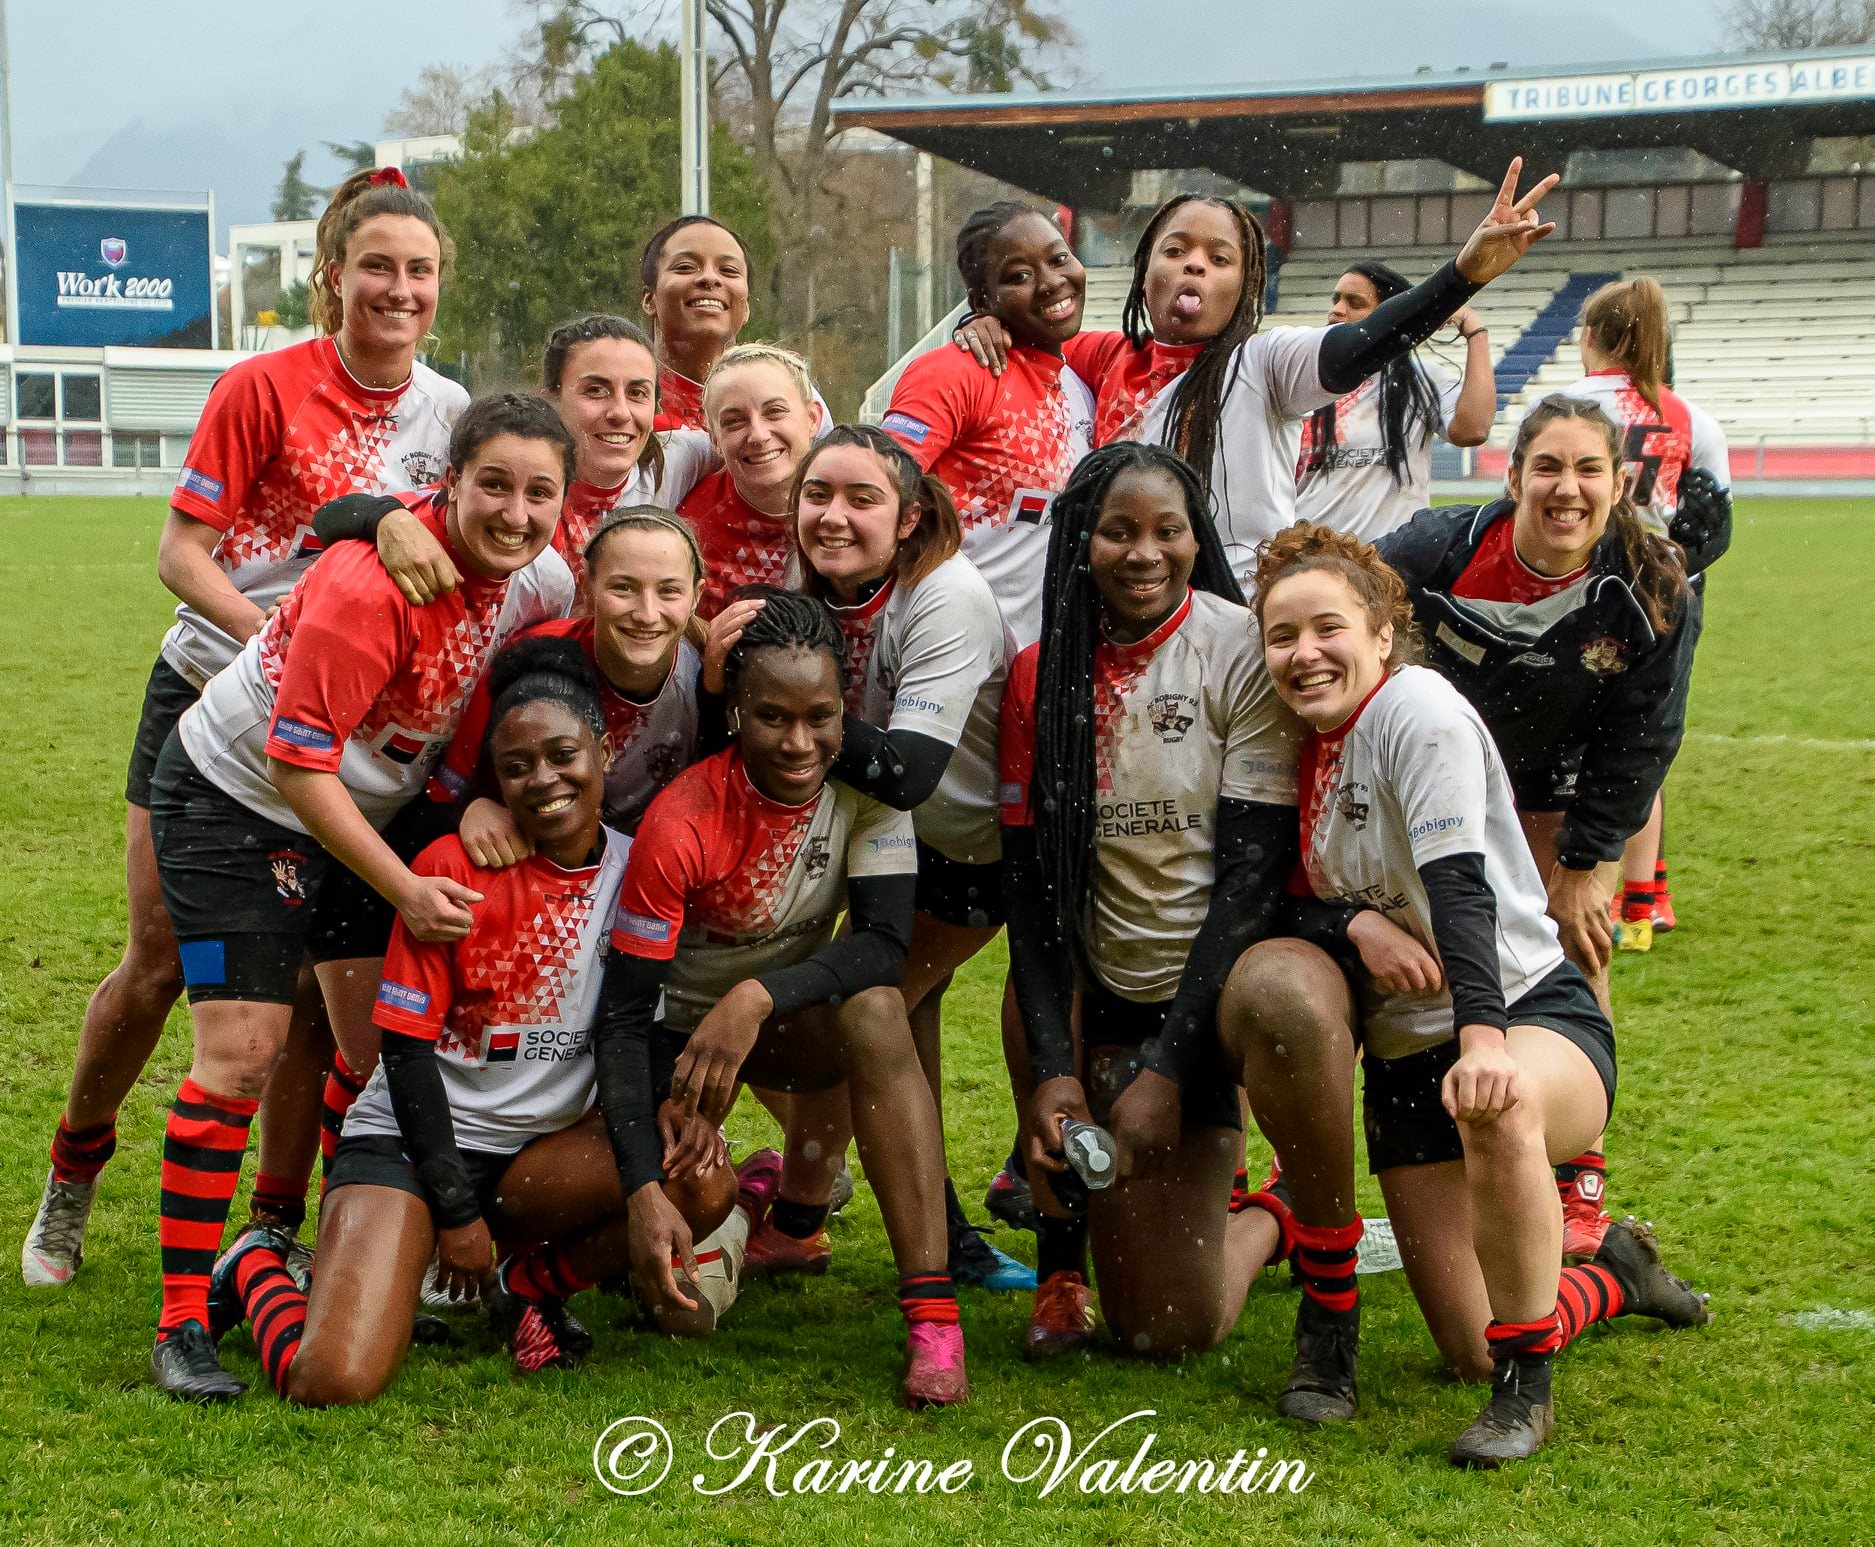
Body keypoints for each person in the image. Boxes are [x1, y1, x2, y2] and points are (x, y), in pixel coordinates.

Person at [22, 165, 466, 1290]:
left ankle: (281, 1218)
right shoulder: (262, 386)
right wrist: (283, 627)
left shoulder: (451, 412)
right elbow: (181, 552)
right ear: (334, 277)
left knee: (326, 984)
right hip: (212, 700)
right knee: (161, 959)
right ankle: (74, 1169)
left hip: (357, 736)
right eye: (378, 266)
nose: (399, 288)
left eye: (419, 270)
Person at [1237, 522, 1707, 1466]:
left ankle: (1523, 1398)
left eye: (1327, 627)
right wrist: (1350, 927)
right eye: (1280, 637)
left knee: (1501, 1108)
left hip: (1527, 1010)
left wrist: (1484, 1040)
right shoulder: (1298, 740)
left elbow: (1460, 885)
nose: (1304, 652)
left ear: (1381, 634)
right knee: (1464, 1339)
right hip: (1409, 1054)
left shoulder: (1419, 710)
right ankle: (1613, 1272)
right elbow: (1276, 895)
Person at [144, 394, 575, 1400]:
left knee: (376, 1053)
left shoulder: (534, 573)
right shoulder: (370, 586)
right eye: (496, 485)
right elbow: (298, 769)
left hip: (360, 810)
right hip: (238, 801)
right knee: (243, 1049)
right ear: (450, 481)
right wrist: (407, 888)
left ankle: (299, 1255)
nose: (516, 511)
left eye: (540, 492)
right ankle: (182, 1318)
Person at [203, 641, 737, 1402]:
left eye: (563, 754)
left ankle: (528, 1284)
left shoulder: (640, 869)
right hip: (413, 1146)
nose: (544, 779)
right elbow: (408, 1054)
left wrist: (659, 1143)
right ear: (497, 777)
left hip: (540, 1157)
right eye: (517, 766)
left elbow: (629, 1030)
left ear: (606, 748)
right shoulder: (454, 868)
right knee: (331, 1380)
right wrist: (454, 1210)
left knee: (704, 1179)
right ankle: (255, 1266)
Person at [600, 588, 968, 1407]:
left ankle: (932, 1315)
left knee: (877, 1005)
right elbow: (623, 1015)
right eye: (772, 717)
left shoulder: (869, 791)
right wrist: (641, 1180)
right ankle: (742, 1203)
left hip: (774, 1024)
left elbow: (880, 944)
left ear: (847, 710)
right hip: (674, 1044)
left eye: (821, 715)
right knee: (681, 1314)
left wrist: (757, 995)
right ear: (734, 712)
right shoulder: (684, 817)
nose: (800, 742)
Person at [1377, 394, 1714, 1260]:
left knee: (1572, 945)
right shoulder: (1433, 550)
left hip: (1554, 781)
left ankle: (1580, 1179)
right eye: (1548, 467)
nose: (1567, 488)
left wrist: (1585, 862)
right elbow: (1347, 608)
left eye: (1587, 469)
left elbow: (1646, 730)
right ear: (1513, 474)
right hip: (1434, 772)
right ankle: (1310, 1175)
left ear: (1619, 481)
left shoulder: (1651, 578)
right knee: (1404, 958)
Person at [999, 442, 1303, 1364]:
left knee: (1172, 1328)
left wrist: (1167, 1070)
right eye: (1116, 531)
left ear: (1193, 537)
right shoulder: (1035, 675)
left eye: (1166, 530)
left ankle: (1275, 1211)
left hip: (1211, 996)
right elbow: (1033, 892)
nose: (1143, 553)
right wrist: (1055, 1067)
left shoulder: (1235, 648)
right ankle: (1062, 1265)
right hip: (1106, 989)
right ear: (1078, 542)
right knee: (1030, 1007)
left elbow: (1250, 882)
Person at [710, 425, 1029, 1289]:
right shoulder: (805, 589)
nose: (834, 516)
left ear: (911, 516)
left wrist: (777, 700)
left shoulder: (945, 594)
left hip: (968, 852)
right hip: (885, 845)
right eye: (818, 495)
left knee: (862, 1012)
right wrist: (718, 673)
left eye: (862, 499)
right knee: (900, 1038)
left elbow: (907, 771)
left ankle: (806, 1213)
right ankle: (939, 1235)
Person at [1135, 160, 1557, 588]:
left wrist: (1464, 293)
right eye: (1173, 250)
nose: (1337, 310)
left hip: (1377, 570)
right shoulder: (1100, 369)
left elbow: (1469, 426)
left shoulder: (1292, 365)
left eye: (1355, 303)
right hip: (1305, 568)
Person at [1549, 277, 1733, 953]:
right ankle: (1641, 902)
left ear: (1592, 339)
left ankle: (1556, 886)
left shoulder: (1561, 408)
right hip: (1661, 601)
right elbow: (1712, 528)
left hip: (1575, 590)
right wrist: (1664, 573)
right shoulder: (1693, 419)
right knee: (1637, 744)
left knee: (1560, 741)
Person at [884, 201, 1096, 649]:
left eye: (1059, 259)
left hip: (1047, 665)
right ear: (982, 301)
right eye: (1018, 276)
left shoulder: (1080, 379)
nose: (1052, 282)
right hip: (958, 653)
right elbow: (876, 490)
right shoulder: (954, 372)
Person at [1295, 260, 1496, 541]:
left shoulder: (1420, 380)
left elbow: (1473, 430)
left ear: (1390, 315)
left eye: (1354, 302)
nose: (1337, 309)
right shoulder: (1305, 381)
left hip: (1389, 564)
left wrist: (1475, 332)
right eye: (1336, 299)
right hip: (1312, 562)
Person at [638, 217, 830, 434]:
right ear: (649, 299)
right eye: (686, 267)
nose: (710, 278)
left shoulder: (794, 399)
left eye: (728, 270)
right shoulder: (626, 404)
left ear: (746, 307)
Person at [680, 343, 826, 620]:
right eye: (734, 421)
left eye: (775, 412)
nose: (758, 435)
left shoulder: (850, 509)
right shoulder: (690, 526)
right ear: (714, 440)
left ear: (812, 419)